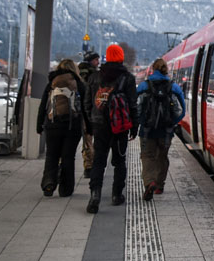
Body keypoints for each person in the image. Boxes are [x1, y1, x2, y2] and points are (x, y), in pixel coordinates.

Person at [86, 44, 138, 214]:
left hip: (100, 125)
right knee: (119, 161)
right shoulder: (128, 78)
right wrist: (134, 126)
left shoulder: (95, 77)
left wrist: (91, 122)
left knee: (99, 161)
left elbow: (87, 103)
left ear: (106, 57)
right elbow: (132, 104)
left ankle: (95, 195)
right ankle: (116, 194)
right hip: (120, 125)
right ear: (121, 58)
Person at [36, 59, 91, 197]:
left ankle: (48, 182)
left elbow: (43, 105)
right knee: (68, 157)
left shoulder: (52, 83)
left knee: (52, 155)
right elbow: (85, 108)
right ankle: (65, 189)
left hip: (52, 125)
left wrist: (39, 125)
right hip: (72, 126)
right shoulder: (78, 84)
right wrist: (89, 127)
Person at [136, 58, 186, 201]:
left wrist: (142, 122)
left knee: (147, 156)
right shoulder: (174, 87)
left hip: (147, 130)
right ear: (166, 70)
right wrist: (172, 123)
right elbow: (181, 111)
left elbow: (136, 108)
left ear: (152, 69)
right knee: (162, 157)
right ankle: (159, 185)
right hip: (166, 132)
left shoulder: (143, 86)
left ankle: (149, 182)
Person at [77, 52, 100, 179]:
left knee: (87, 141)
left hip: (79, 110)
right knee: (89, 140)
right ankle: (89, 166)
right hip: (90, 111)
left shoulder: (77, 73)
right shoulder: (94, 75)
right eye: (96, 60)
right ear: (91, 61)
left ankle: (88, 165)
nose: (98, 62)